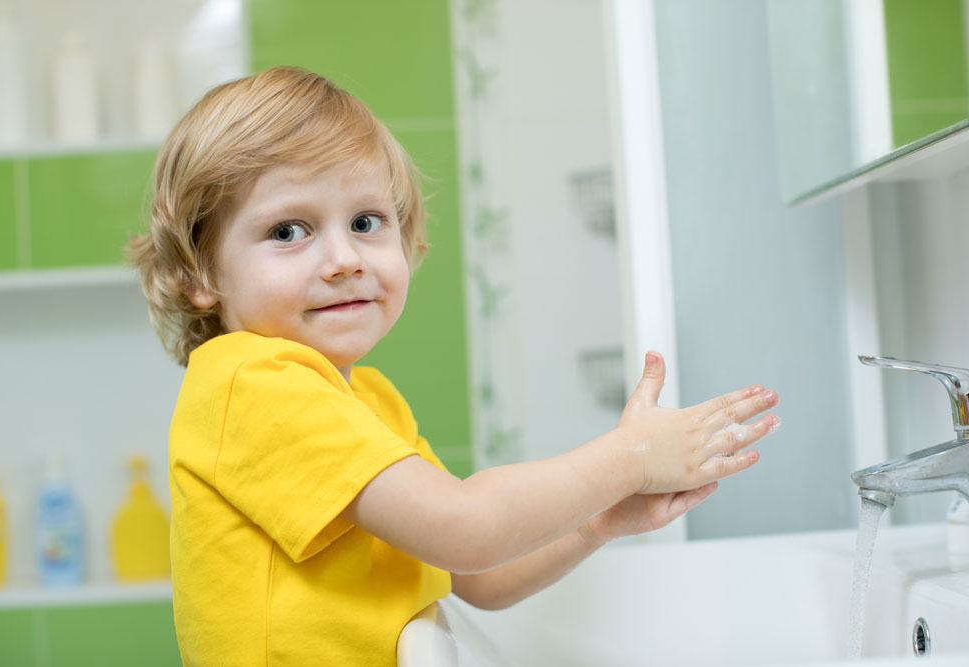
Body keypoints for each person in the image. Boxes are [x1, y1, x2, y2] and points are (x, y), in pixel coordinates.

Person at [129, 65, 781, 666]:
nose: (343, 258)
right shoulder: (252, 384)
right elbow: (467, 528)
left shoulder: (365, 397)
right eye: (288, 231)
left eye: (366, 220)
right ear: (200, 272)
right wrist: (632, 454)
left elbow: (475, 575)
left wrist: (598, 521)